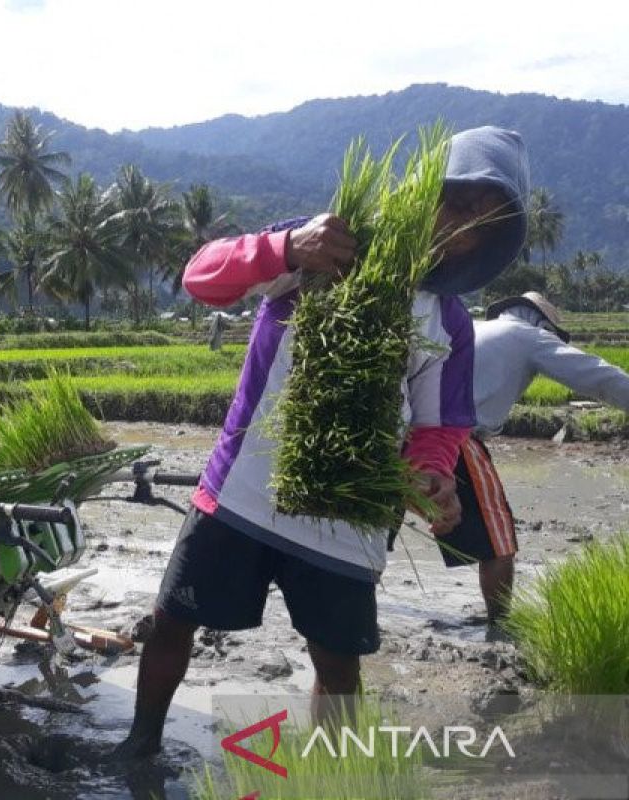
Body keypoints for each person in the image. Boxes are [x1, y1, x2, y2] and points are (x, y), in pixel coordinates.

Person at [112, 126, 530, 759]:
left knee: (338, 668)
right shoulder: (321, 244)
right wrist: (283, 248)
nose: (461, 223)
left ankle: (328, 775)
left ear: (490, 239)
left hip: (347, 517)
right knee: (173, 621)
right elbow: (201, 277)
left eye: (483, 218)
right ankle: (139, 745)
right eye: (459, 199)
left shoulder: (445, 318)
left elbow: (438, 425)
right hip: (240, 493)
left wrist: (432, 474)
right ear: (424, 191)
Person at [428, 290, 629, 623]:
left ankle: (357, 617)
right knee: (498, 537)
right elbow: (598, 375)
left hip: (403, 427)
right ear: (541, 323)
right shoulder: (528, 336)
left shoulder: (477, 328)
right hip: (453, 436)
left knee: (373, 526)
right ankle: (501, 623)